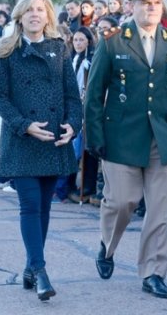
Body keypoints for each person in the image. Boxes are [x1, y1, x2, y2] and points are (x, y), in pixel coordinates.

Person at [85, 0, 167, 299]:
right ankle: (107, 247)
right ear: (132, 6)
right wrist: (93, 135)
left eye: (156, 3)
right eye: (145, 3)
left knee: (160, 211)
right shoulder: (112, 42)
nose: (151, 7)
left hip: (161, 138)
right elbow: (94, 94)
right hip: (120, 137)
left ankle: (153, 272)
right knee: (123, 201)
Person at [0, 0, 82, 301]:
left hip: (53, 140)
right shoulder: (5, 51)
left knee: (44, 208)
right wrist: (24, 125)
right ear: (19, 15)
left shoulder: (59, 48)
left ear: (48, 16)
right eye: (29, 10)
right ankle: (41, 270)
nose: (35, 14)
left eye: (40, 10)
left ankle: (30, 268)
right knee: (29, 206)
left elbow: (72, 93)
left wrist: (74, 124)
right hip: (22, 140)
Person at [68, 26, 99, 203]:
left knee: (87, 148)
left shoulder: (91, 60)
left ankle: (88, 186)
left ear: (89, 41)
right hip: (73, 107)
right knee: (72, 147)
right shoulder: (72, 58)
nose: (78, 43)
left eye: (81, 40)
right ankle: (70, 184)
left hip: (86, 108)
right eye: (75, 40)